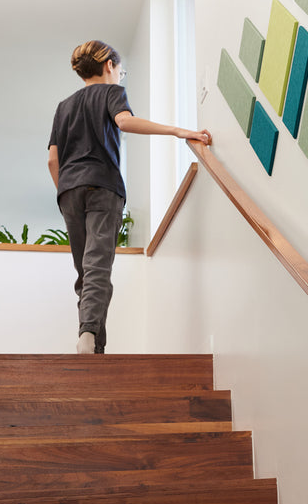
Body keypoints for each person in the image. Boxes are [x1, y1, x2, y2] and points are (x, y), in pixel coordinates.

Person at [48, 40, 211, 354]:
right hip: (102, 186)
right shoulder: (111, 92)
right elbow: (124, 121)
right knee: (98, 265)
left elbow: (52, 160)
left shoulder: (63, 106)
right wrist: (178, 131)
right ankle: (88, 335)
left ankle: (93, 345)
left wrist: (65, 190)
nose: (120, 77)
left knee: (85, 268)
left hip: (68, 190)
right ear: (109, 65)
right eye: (120, 71)